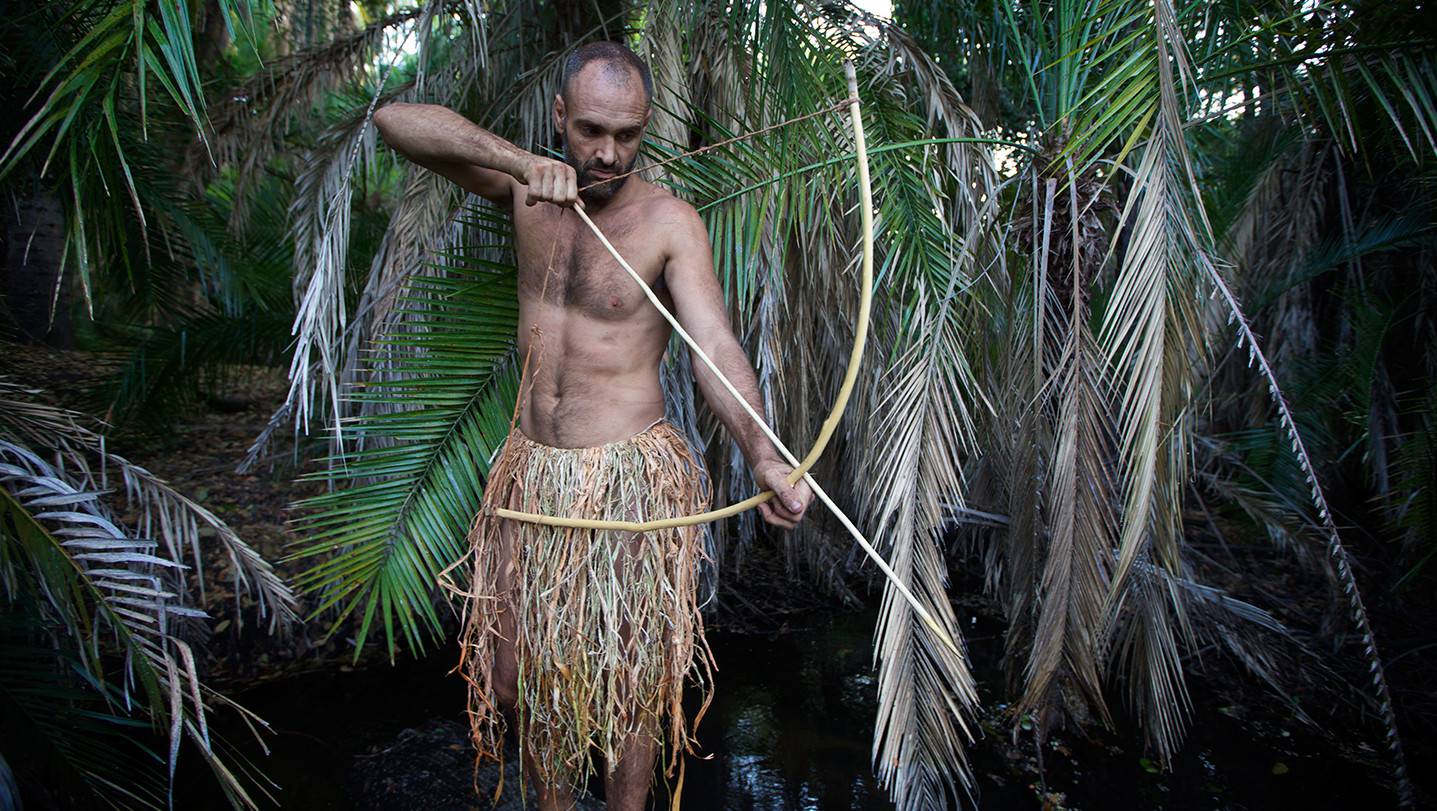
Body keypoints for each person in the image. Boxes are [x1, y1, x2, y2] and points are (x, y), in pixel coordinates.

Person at [375, 41, 815, 810]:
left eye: (626, 134)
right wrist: (518, 160)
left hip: (627, 479)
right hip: (531, 471)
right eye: (588, 131)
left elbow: (714, 345)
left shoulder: (669, 222)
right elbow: (394, 121)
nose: (607, 152)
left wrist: (763, 455)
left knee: (627, 687)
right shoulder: (524, 190)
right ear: (558, 117)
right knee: (516, 681)